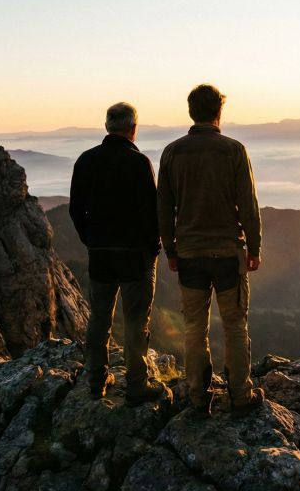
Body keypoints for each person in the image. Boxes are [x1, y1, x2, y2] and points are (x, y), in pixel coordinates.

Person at [158, 84, 264, 416]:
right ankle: (240, 396)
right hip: (227, 253)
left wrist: (171, 250)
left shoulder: (172, 152)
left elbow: (164, 208)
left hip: (189, 254)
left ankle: (198, 397)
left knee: (193, 327)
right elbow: (248, 205)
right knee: (234, 324)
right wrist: (254, 246)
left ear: (192, 112)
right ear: (219, 112)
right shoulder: (234, 150)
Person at [69, 102, 168, 406]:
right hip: (135, 256)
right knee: (137, 321)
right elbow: (153, 212)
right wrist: (154, 248)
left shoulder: (86, 160)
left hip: (101, 254)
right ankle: (137, 385)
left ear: (107, 127)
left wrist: (91, 240)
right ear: (133, 128)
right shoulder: (138, 162)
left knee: (99, 318)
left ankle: (97, 381)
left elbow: (76, 209)